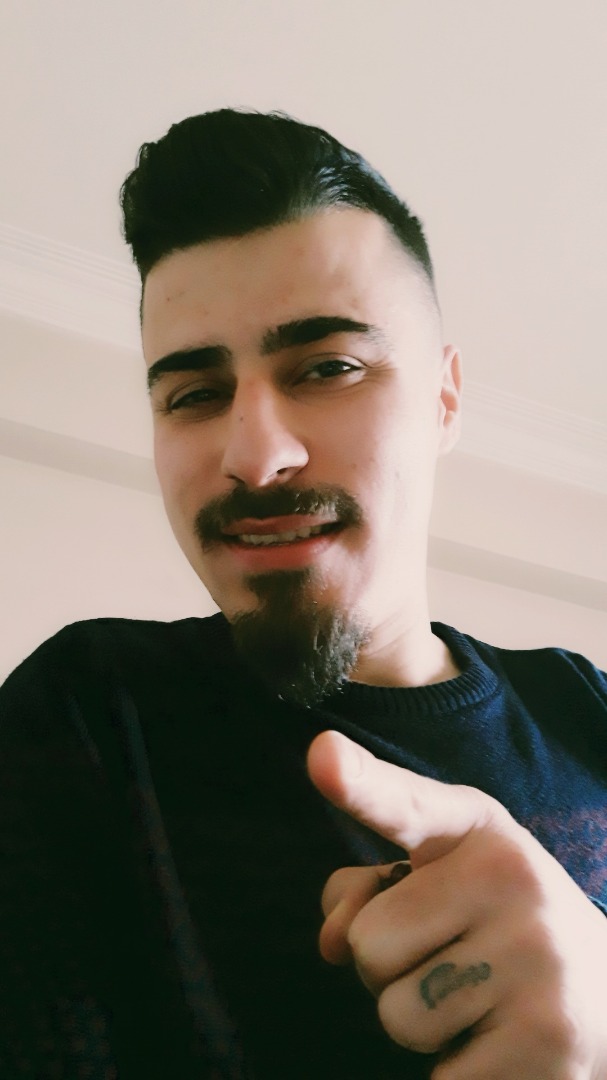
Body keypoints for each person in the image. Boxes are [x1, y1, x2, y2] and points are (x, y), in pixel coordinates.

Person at [1, 108, 605, 1080]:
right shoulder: (85, 716)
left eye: (327, 368)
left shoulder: (589, 709)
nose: (255, 456)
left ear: (443, 399)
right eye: (195, 395)